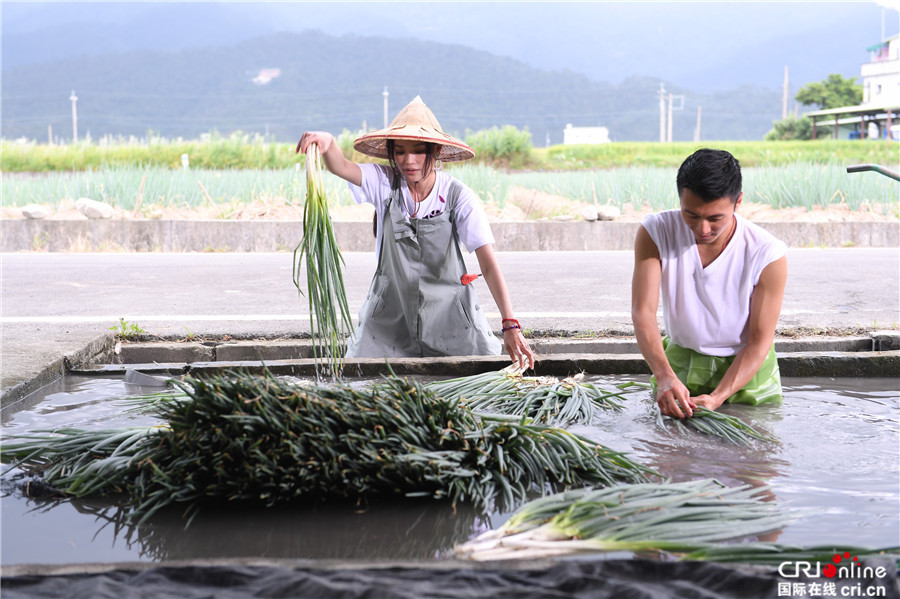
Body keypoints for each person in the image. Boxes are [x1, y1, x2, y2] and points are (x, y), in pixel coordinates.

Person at [297, 96, 534, 368]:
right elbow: (341, 166)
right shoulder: (384, 183)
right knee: (362, 377)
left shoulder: (458, 197)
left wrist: (510, 323)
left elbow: (489, 264)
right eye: (399, 151)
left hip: (450, 317)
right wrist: (328, 143)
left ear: (434, 152)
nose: (408, 161)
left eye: (418, 151)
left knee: (475, 375)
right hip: (389, 316)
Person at [631, 148, 787, 419]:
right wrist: (664, 375)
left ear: (738, 202)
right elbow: (642, 312)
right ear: (680, 199)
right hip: (678, 367)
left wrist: (719, 396)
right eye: (691, 215)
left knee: (751, 459)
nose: (703, 229)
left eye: (716, 218)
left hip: (748, 376)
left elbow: (760, 341)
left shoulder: (767, 252)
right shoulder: (656, 231)